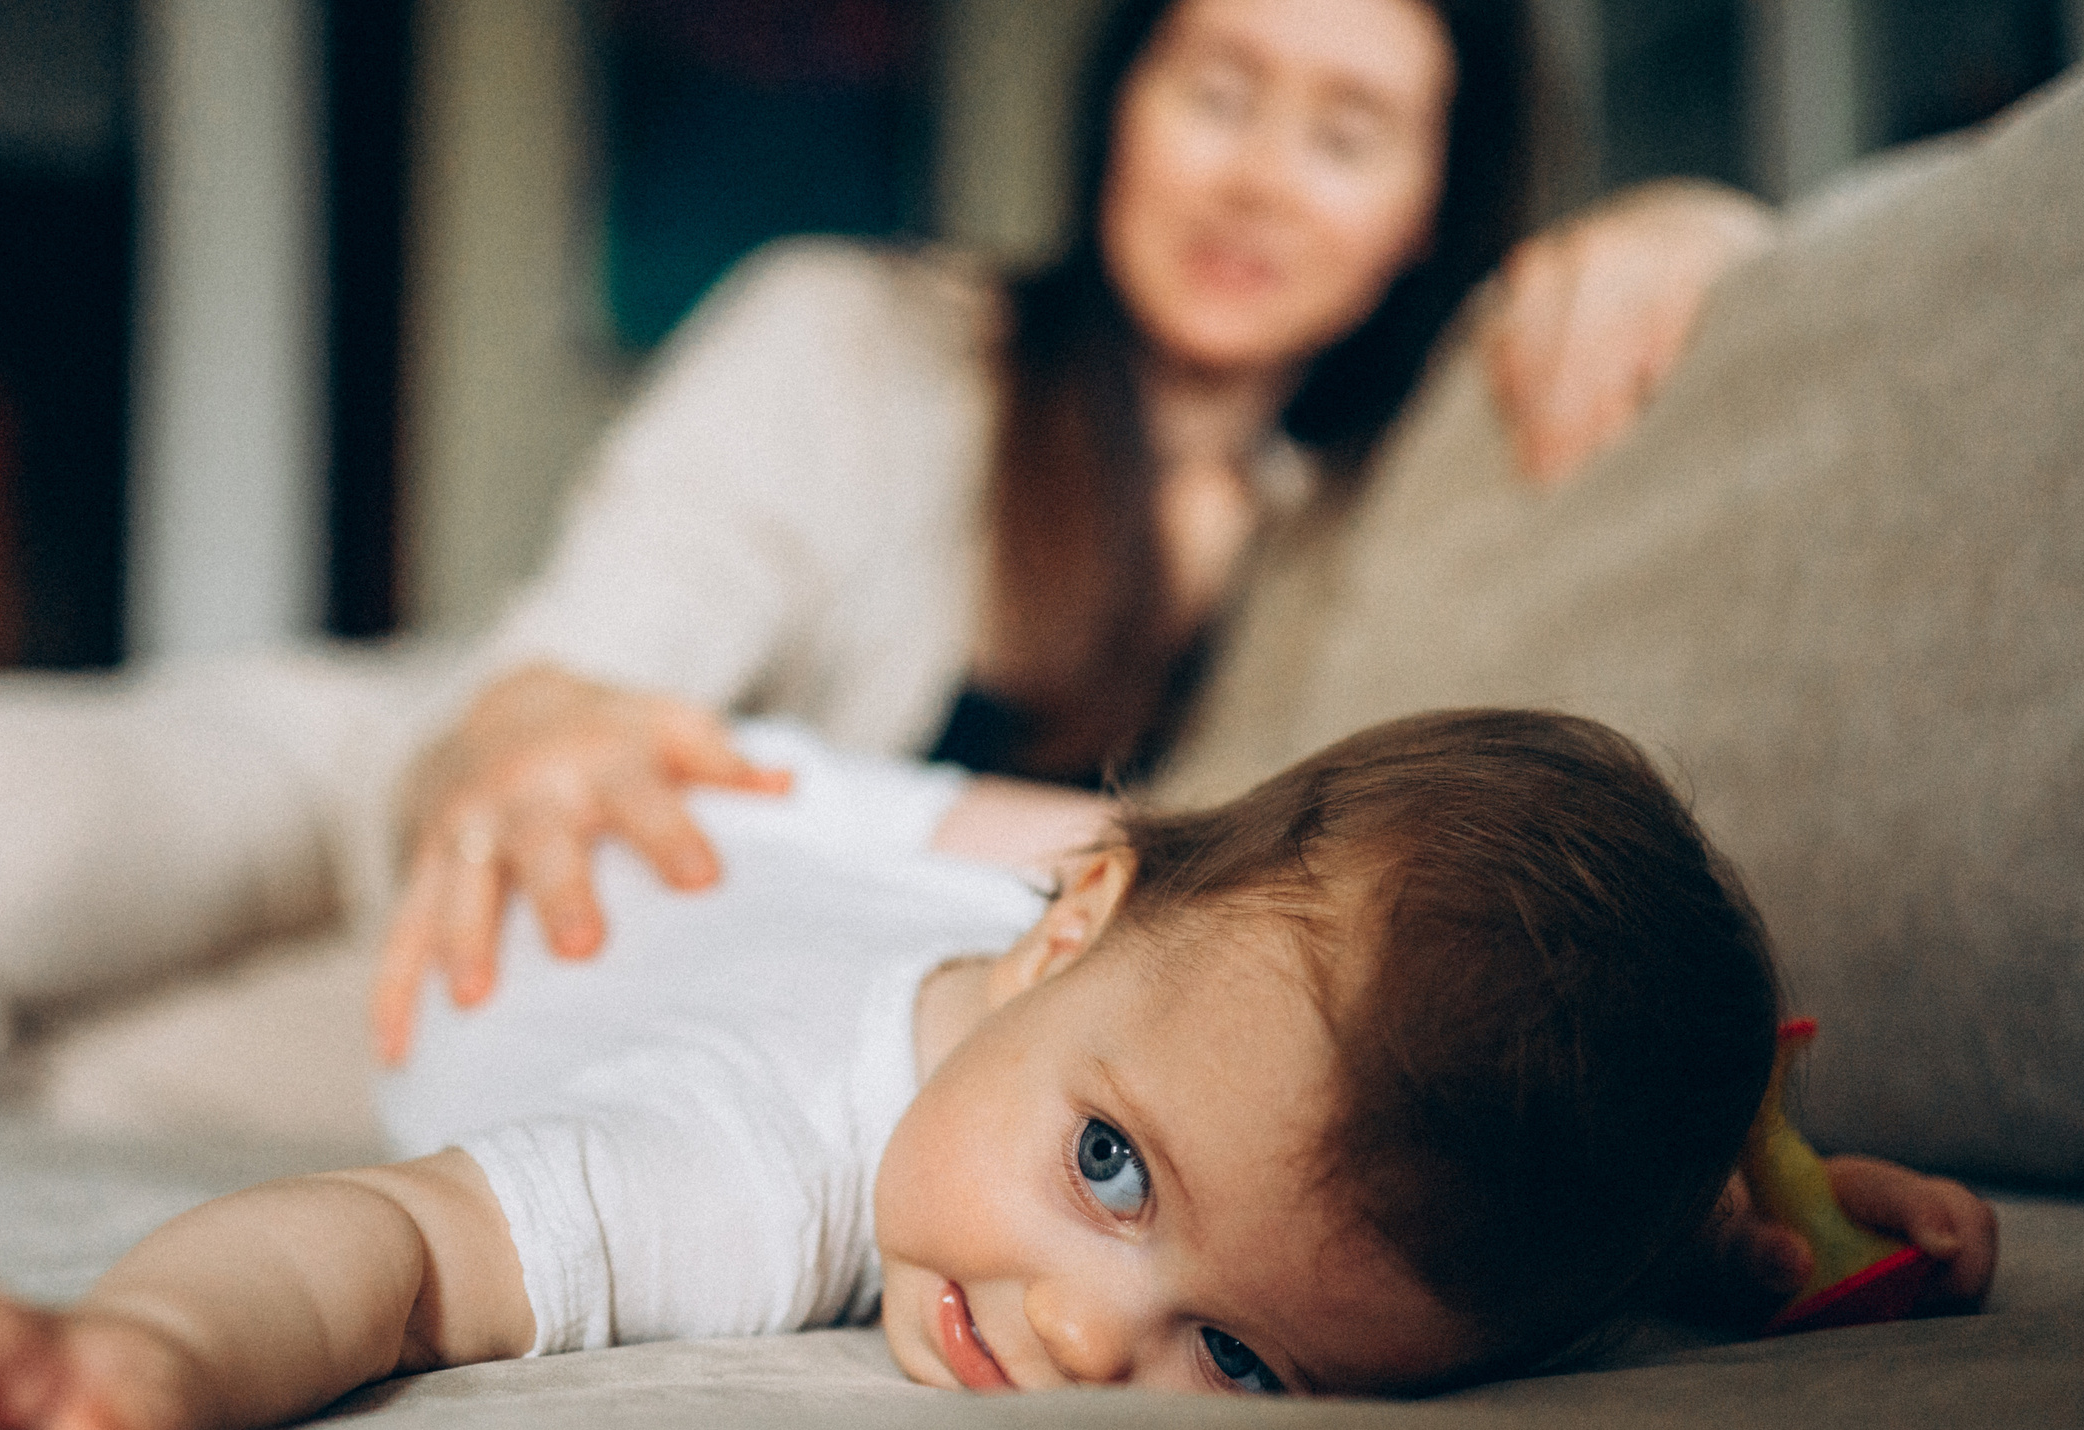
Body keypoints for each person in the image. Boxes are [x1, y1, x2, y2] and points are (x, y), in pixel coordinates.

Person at [0, 711, 1997, 1430]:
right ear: (1067, 933)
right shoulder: (758, 1150)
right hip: (558, 839)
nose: (1076, 1326)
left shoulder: (1147, 995)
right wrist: (130, 1345)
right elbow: (390, 1245)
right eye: (1107, 1171)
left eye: (1240, 1365)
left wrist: (1737, 1209)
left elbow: (1433, 1175)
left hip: (861, 843)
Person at [370, 0, 1777, 1061]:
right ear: (1123, 112)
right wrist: (532, 720)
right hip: (405, 764)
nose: (1260, 179)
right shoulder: (849, 339)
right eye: (1219, 95)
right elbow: (590, 652)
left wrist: (1694, 231)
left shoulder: (1391, 492)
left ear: (1430, 209)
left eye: (1346, 136)